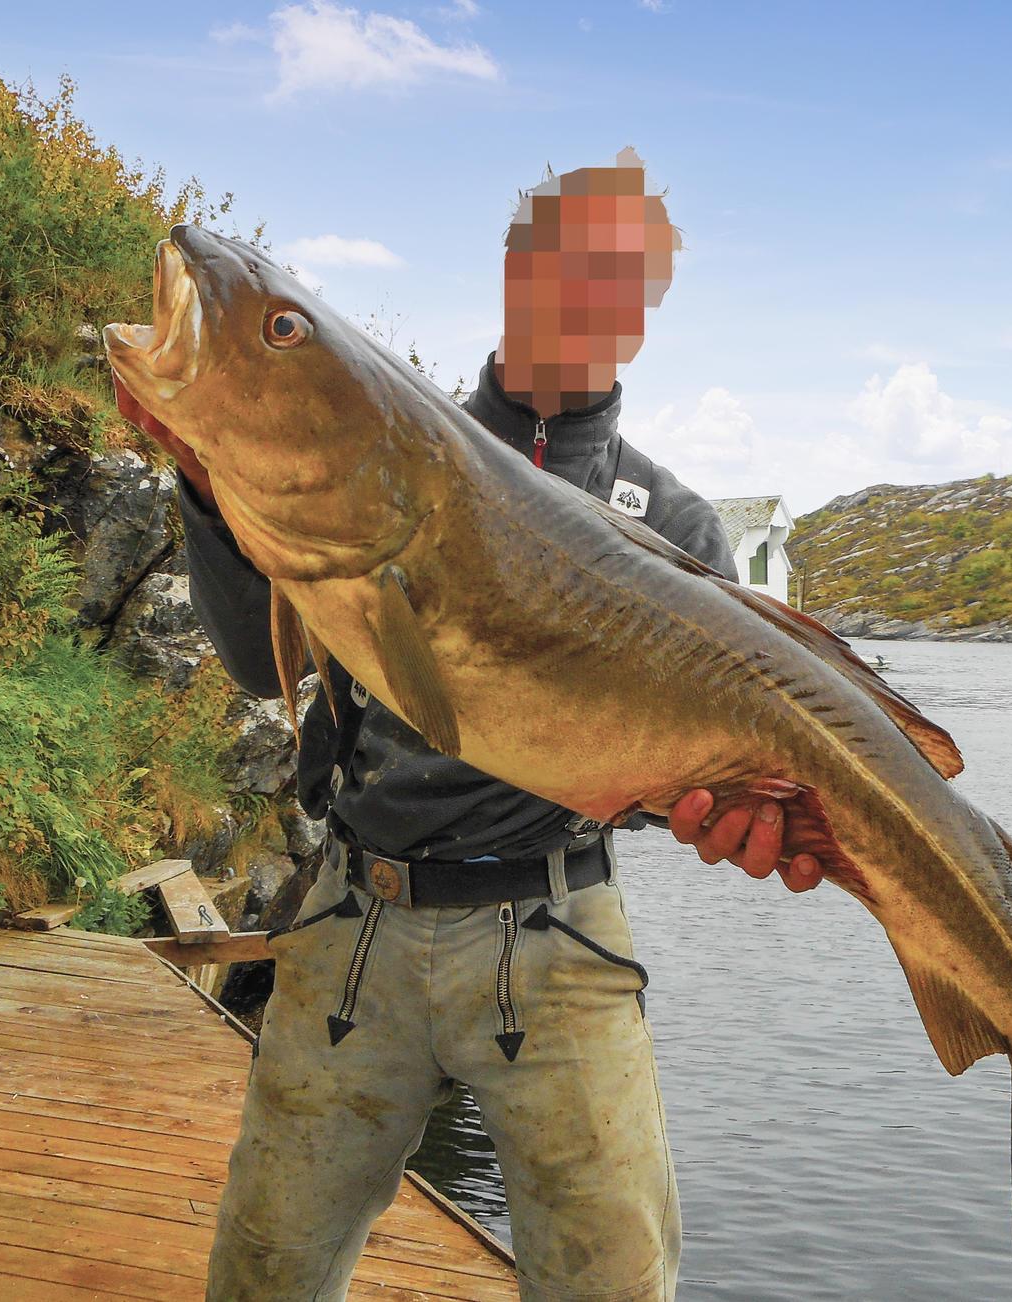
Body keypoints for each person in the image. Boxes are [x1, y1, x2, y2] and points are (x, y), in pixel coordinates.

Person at [130, 148, 822, 1302]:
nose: (590, 301)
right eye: (566, 265)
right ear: (513, 273)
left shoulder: (681, 532)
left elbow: (672, 788)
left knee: (612, 1280)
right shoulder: (372, 435)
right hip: (351, 917)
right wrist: (209, 488)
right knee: (265, 1269)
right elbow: (259, 660)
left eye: (621, 280)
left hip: (557, 928)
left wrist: (719, 812)